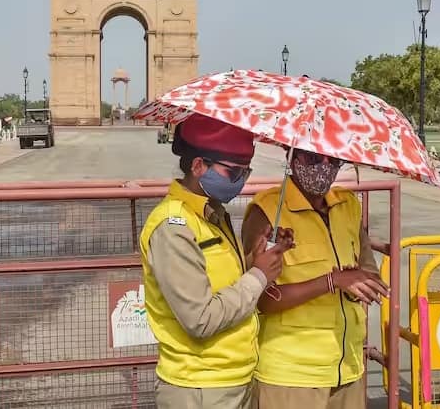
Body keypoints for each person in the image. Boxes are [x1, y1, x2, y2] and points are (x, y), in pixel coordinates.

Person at [139, 114, 293, 409]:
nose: (241, 182)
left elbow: (226, 283)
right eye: (233, 173)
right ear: (198, 166)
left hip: (234, 377)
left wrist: (259, 257)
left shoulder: (213, 214)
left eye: (246, 173)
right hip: (200, 387)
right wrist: (259, 275)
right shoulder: (174, 227)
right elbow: (200, 318)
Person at [242, 148, 389, 409]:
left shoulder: (348, 206)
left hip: (348, 368)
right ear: (292, 157)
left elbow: (369, 274)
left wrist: (356, 285)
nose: (324, 166)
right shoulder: (267, 212)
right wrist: (333, 281)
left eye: (333, 160)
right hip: (291, 376)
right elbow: (263, 300)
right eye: (312, 157)